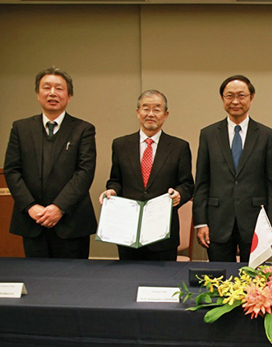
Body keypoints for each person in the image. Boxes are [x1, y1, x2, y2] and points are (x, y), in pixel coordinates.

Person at [4, 66, 97, 259]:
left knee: (73, 282)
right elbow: (12, 171)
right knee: (37, 281)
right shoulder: (20, 128)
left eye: (59, 88)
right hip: (33, 221)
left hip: (71, 222)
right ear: (38, 94)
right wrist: (30, 206)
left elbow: (84, 172)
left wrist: (58, 208)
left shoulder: (83, 129)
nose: (52, 93)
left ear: (69, 96)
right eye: (46, 87)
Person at [193, 75, 272, 262]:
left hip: (256, 222)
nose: (235, 101)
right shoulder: (208, 134)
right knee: (219, 279)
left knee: (255, 282)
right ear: (222, 99)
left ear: (251, 97)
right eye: (229, 96)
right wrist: (201, 222)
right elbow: (201, 182)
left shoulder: (266, 135)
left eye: (241, 95)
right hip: (217, 220)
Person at [99, 90, 194, 261]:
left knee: (163, 283)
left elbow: (187, 184)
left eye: (157, 109)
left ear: (165, 115)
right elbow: (115, 180)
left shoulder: (179, 147)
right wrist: (111, 191)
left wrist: (179, 195)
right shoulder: (121, 145)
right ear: (138, 113)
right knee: (128, 282)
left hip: (163, 234)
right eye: (145, 108)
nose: (150, 114)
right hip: (128, 232)